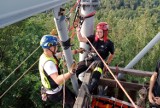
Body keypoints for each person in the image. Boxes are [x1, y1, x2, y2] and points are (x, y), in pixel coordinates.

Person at [39, 35, 84, 107]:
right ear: (50, 47)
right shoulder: (49, 63)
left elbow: (62, 54)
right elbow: (57, 80)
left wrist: (77, 51)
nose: (57, 47)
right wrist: (71, 72)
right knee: (74, 104)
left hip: (53, 89)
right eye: (55, 46)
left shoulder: (46, 55)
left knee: (72, 97)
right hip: (55, 93)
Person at [76, 22, 115, 93]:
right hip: (90, 59)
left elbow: (112, 54)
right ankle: (78, 84)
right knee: (76, 70)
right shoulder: (93, 38)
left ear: (105, 33)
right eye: (97, 31)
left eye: (100, 32)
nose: (98, 33)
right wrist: (78, 31)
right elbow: (81, 39)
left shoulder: (109, 43)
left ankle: (90, 89)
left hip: (99, 62)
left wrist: (107, 63)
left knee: (96, 75)